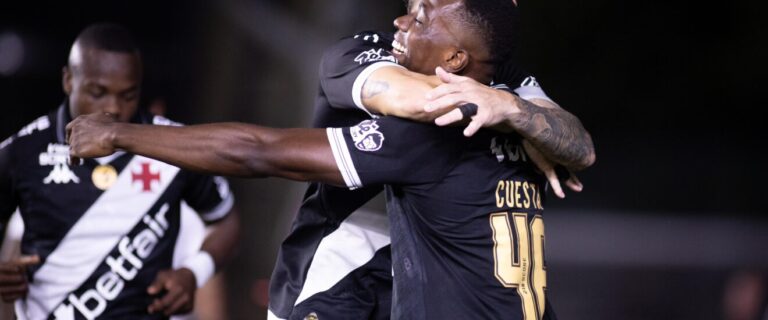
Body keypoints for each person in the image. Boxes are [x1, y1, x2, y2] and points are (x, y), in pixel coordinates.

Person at [68, 0, 594, 318]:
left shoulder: (467, 121)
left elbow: (259, 151)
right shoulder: (368, 58)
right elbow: (404, 93)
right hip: (333, 283)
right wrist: (511, 110)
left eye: (420, 16)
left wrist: (119, 133)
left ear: (457, 59)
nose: (402, 20)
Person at [0, 23, 240, 320]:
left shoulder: (174, 147)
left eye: (127, 95)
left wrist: (194, 272)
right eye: (97, 92)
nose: (112, 108)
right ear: (68, 80)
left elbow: (225, 220)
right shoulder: (23, 151)